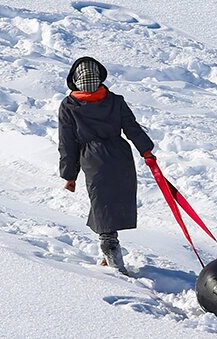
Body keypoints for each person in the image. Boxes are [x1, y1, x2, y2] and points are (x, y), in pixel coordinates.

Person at [58, 56, 155, 272]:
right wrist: (146, 151)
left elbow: (67, 143)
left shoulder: (69, 106)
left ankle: (113, 260)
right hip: (121, 156)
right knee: (109, 204)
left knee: (102, 205)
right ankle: (107, 255)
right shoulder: (115, 100)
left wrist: (69, 175)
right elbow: (132, 128)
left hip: (93, 160)